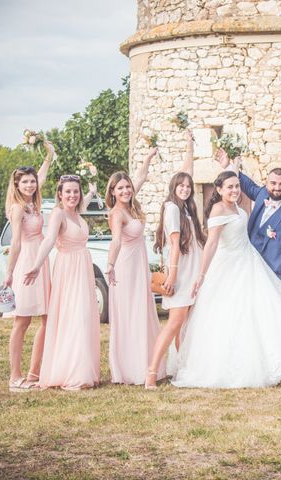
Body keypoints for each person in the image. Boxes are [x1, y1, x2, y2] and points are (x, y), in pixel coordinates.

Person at [171, 170, 281, 388]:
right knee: (228, 315)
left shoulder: (250, 206)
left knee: (258, 314)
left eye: (236, 186)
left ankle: (267, 360)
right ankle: (228, 363)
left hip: (250, 263)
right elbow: (211, 244)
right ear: (218, 189)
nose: (234, 190)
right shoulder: (219, 209)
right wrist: (201, 274)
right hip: (228, 266)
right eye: (229, 187)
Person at [24, 175, 100, 390]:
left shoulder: (77, 211)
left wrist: (92, 189)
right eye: (68, 192)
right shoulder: (58, 214)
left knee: (84, 315)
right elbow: (49, 240)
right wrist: (37, 264)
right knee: (73, 316)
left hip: (83, 267)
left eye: (76, 191)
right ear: (59, 193)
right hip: (68, 268)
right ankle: (72, 373)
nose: (72, 195)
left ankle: (84, 368)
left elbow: (86, 198)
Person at [145, 129, 205, 389]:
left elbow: (187, 173)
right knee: (174, 323)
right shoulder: (171, 209)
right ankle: (151, 373)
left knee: (186, 325)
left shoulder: (187, 210)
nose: (185, 188)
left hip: (192, 271)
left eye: (188, 187)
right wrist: (172, 275)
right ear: (173, 188)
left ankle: (182, 370)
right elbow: (173, 244)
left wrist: (190, 148)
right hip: (179, 274)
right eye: (180, 186)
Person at [214, 150, 281, 291]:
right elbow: (248, 186)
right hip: (254, 268)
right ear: (266, 183)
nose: (277, 188)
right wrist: (228, 166)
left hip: (279, 274)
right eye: (273, 183)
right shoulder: (263, 192)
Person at [105, 148, 166, 385]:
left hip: (139, 265)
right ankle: (130, 368)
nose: (126, 190)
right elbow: (116, 240)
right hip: (126, 266)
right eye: (120, 188)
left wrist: (149, 157)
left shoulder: (132, 205)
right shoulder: (116, 213)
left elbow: (139, 177)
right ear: (112, 191)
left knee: (142, 310)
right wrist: (110, 265)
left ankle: (147, 363)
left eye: (127, 187)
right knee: (130, 313)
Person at [3, 142, 54, 392]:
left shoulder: (34, 202)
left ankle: (36, 371)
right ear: (16, 185)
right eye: (25, 182)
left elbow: (41, 177)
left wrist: (49, 155)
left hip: (41, 263)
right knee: (22, 322)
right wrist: (10, 273)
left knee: (47, 318)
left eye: (32, 182)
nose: (30, 185)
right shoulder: (17, 208)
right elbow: (15, 242)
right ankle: (15, 376)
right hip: (26, 265)